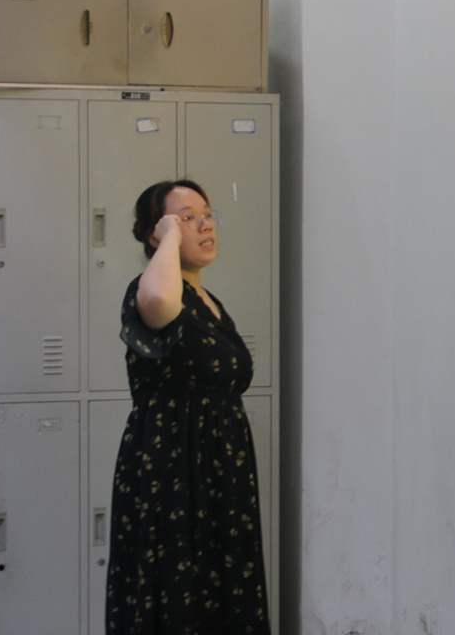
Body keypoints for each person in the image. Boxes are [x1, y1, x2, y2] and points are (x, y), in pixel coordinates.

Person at [107, 179, 268, 635]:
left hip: (220, 468)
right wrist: (169, 238)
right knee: (176, 591)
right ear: (155, 233)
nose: (204, 224)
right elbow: (160, 302)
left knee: (223, 590)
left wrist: (175, 228)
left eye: (207, 214)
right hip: (172, 468)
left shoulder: (210, 302)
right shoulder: (148, 289)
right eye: (187, 218)